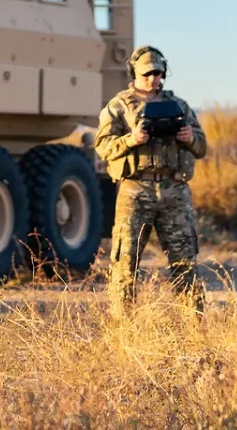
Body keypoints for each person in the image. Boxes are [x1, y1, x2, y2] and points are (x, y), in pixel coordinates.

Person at [94, 45, 207, 310]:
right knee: (125, 261)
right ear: (134, 72)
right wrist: (131, 139)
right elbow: (103, 146)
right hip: (135, 189)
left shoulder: (179, 106)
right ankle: (123, 323)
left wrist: (189, 138)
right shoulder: (118, 106)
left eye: (157, 73)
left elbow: (202, 147)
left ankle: (194, 322)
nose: (152, 79)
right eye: (146, 73)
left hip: (174, 189)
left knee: (185, 260)